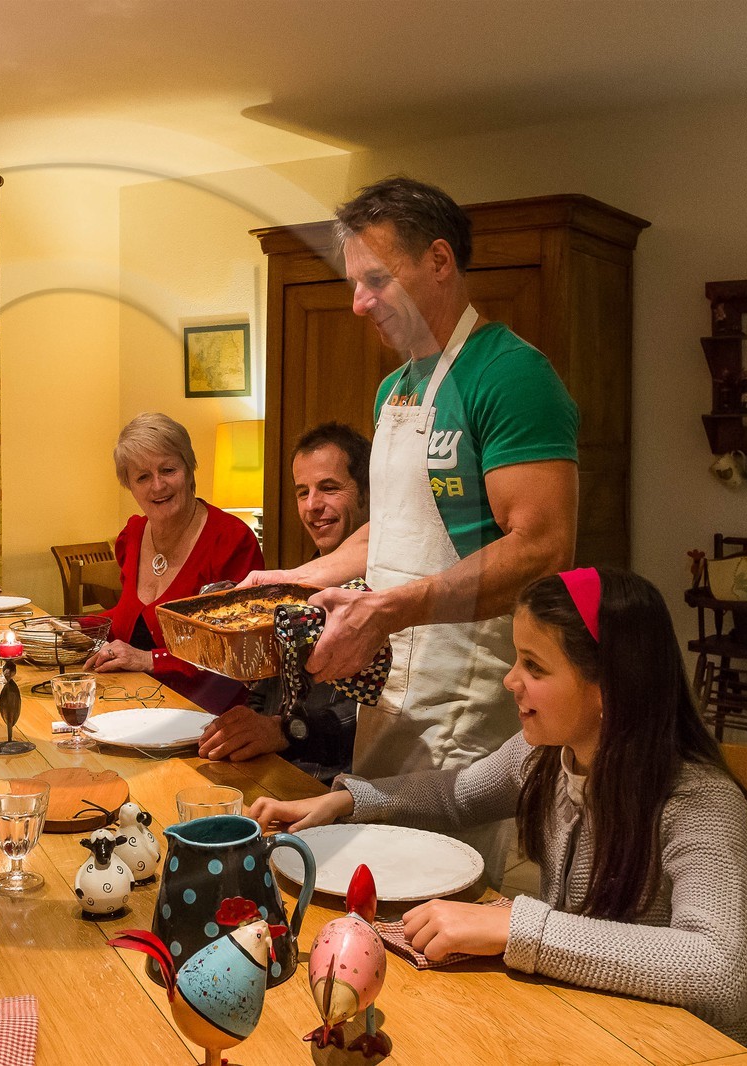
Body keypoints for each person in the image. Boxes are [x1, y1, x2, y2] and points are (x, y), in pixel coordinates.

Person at [247, 569, 747, 1062]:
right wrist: (347, 800)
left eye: (534, 666)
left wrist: (514, 926)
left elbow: (719, 969)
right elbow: (456, 795)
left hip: (686, 1047)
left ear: (610, 690)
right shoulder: (548, 753)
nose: (510, 681)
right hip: (594, 1023)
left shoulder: (700, 802)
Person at [245, 177, 578, 881]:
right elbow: (393, 532)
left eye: (374, 280)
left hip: (465, 684)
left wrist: (388, 610)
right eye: (353, 283)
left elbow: (542, 545)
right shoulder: (395, 388)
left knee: (436, 878)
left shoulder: (512, 375)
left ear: (437, 261)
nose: (358, 302)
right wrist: (297, 577)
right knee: (363, 863)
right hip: (391, 677)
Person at [199, 421, 370, 780]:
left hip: (337, 789)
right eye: (302, 492)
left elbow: (371, 720)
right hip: (274, 771)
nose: (312, 506)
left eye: (329, 488)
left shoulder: (385, 594)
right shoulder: (297, 582)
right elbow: (265, 692)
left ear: (366, 493)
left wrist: (282, 731)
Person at [84, 412, 263, 712]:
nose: (158, 486)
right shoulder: (133, 535)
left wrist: (148, 659)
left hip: (207, 716)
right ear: (129, 485)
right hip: (135, 702)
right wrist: (68, 627)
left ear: (190, 469)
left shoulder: (232, 540)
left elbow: (237, 650)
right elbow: (130, 619)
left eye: (168, 469)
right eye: (143, 477)